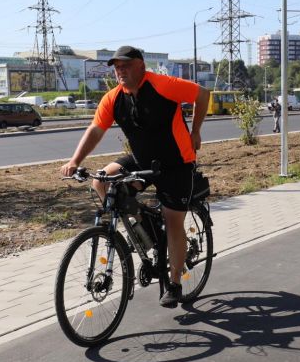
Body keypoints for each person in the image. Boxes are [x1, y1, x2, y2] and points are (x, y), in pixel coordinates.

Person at [61, 45, 210, 308]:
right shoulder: (114, 98)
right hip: (143, 161)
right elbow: (96, 129)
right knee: (101, 181)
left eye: (125, 66)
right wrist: (75, 160)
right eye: (117, 68)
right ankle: (144, 224)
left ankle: (174, 282)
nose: (120, 71)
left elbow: (202, 94)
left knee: (173, 220)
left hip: (176, 162)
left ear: (141, 65)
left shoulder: (164, 85)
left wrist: (196, 131)